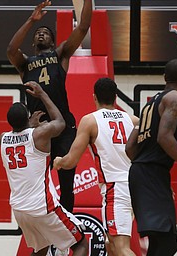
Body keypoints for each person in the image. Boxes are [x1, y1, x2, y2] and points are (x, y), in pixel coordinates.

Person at [7, 0, 92, 213]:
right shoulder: (25, 63)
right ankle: (37, 224)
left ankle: (67, 233)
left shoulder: (60, 55)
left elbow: (82, 27)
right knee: (33, 183)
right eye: (38, 33)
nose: (41, 34)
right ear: (34, 41)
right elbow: (11, 49)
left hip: (63, 126)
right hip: (37, 128)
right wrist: (31, 20)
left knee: (66, 184)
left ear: (53, 42)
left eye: (45, 32)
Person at [125, 59, 177, 256]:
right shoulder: (175, 99)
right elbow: (164, 137)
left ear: (164, 78)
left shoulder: (150, 104)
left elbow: (129, 148)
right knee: (166, 243)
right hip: (150, 173)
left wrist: (152, 171)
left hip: (143, 173)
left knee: (162, 242)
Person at [0, 81, 88, 256]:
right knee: (81, 244)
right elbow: (60, 122)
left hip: (19, 210)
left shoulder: (1, 139)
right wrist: (42, 94)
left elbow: (19, 136)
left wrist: (28, 125)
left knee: (40, 250)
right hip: (42, 206)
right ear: (28, 118)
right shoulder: (39, 134)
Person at [54, 77, 138, 256]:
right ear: (115, 97)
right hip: (137, 185)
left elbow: (71, 161)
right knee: (110, 243)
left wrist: (59, 161)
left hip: (116, 188)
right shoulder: (132, 119)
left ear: (94, 97)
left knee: (121, 246)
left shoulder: (90, 121)